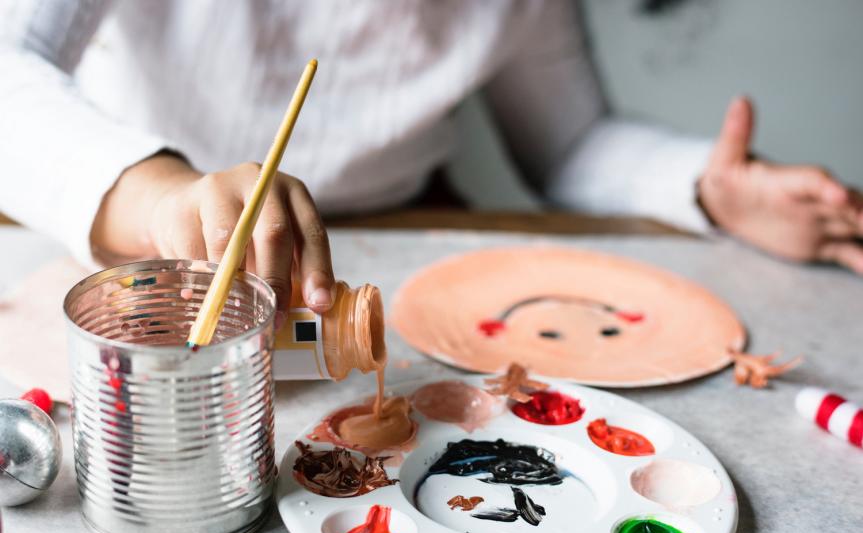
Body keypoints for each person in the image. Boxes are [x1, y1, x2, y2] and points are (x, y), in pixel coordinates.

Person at [1, 0, 859, 326]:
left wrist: (705, 194)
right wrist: (162, 197)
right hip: (149, 235)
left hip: (397, 240)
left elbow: (568, 145)